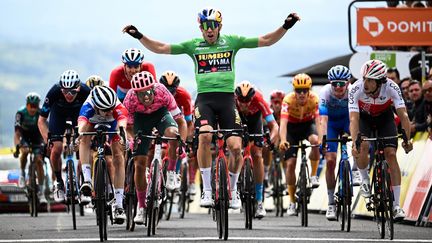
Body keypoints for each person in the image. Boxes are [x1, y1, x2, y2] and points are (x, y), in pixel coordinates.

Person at [123, 7, 300, 209]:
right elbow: (162, 47)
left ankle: (232, 192)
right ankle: (207, 190)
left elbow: (266, 40)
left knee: (235, 147)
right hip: (205, 100)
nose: (210, 30)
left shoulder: (232, 41)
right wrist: (139, 36)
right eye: (206, 26)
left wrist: (286, 26)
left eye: (213, 26)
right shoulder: (194, 45)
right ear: (201, 28)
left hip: (226, 100)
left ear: (219, 27)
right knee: (205, 137)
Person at [348, 59, 413, 220]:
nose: (365, 83)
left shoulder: (392, 87)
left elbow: (403, 115)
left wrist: (407, 139)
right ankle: (364, 179)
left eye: (369, 80)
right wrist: (355, 142)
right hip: (364, 118)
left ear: (379, 81)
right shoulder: (356, 88)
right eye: (364, 79)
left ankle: (397, 206)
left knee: (391, 154)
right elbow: (354, 120)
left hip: (385, 118)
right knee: (362, 145)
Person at [123, 71, 186, 224]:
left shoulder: (162, 92)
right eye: (141, 94)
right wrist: (132, 139)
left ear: (154, 88)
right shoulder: (130, 99)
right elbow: (127, 126)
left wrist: (181, 144)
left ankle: (171, 171)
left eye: (148, 92)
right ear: (135, 93)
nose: (146, 97)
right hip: (140, 120)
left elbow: (181, 122)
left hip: (161, 115)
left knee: (172, 133)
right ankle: (142, 207)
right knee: (139, 164)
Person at [76, 86, 128, 224]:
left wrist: (121, 132)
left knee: (118, 156)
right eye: (106, 109)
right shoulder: (88, 105)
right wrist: (79, 133)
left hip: (113, 124)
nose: (109, 111)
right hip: (93, 122)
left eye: (111, 108)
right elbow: (81, 123)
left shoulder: (116, 106)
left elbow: (122, 121)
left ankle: (119, 205)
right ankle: (87, 180)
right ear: (97, 106)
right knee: (84, 138)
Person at [38, 70, 91, 202]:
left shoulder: (86, 91)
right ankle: (59, 182)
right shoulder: (54, 92)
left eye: (72, 91)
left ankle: (85, 182)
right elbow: (41, 120)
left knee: (84, 145)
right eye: (65, 91)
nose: (68, 95)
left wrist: (90, 136)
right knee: (56, 149)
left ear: (78, 88)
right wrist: (47, 139)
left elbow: (94, 115)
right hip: (58, 115)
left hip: (78, 115)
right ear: (61, 88)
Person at [317, 65, 361, 221]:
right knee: (330, 161)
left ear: (348, 82)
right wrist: (323, 138)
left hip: (347, 121)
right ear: (330, 83)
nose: (338, 87)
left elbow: (356, 116)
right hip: (331, 125)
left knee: (358, 140)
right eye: (334, 83)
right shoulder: (325, 92)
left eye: (341, 83)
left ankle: (355, 169)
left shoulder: (353, 91)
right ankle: (331, 203)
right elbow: (322, 119)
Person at [234, 80, 279, 218]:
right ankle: (235, 186)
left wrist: (271, 140)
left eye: (247, 101)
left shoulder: (259, 99)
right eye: (241, 100)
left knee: (257, 154)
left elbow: (274, 126)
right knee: (234, 149)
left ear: (252, 98)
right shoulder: (231, 101)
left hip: (255, 122)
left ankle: (259, 201)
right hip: (237, 121)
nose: (244, 104)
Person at [278, 73, 320, 216]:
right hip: (292, 129)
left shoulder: (315, 99)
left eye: (304, 90)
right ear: (294, 90)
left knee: (315, 141)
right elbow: (283, 124)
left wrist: (321, 139)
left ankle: (313, 175)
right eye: (298, 90)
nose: (301, 94)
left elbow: (319, 122)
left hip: (308, 126)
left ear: (309, 90)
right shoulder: (288, 100)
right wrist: (283, 140)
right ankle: (291, 201)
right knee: (290, 164)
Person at [159, 70, 196, 193]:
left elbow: (188, 123)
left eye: (172, 91)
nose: (170, 94)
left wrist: (185, 142)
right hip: (162, 122)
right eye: (167, 91)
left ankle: (175, 172)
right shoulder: (156, 94)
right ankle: (152, 174)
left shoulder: (184, 96)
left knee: (178, 148)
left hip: (179, 123)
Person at [14, 92, 48, 203]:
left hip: (38, 137)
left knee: (39, 161)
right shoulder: (20, 113)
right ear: (27, 105)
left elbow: (46, 131)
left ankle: (42, 192)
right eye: (30, 106)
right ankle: (23, 174)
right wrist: (17, 145)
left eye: (35, 106)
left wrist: (46, 143)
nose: (33, 109)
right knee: (25, 151)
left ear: (38, 105)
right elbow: (17, 133)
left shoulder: (41, 112)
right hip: (25, 137)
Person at [262, 90, 285, 189]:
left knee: (285, 151)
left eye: (280, 102)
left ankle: (285, 179)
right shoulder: (268, 112)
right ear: (271, 103)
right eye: (275, 102)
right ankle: (266, 174)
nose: (278, 105)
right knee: (267, 147)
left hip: (282, 137)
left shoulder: (286, 112)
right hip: (271, 134)